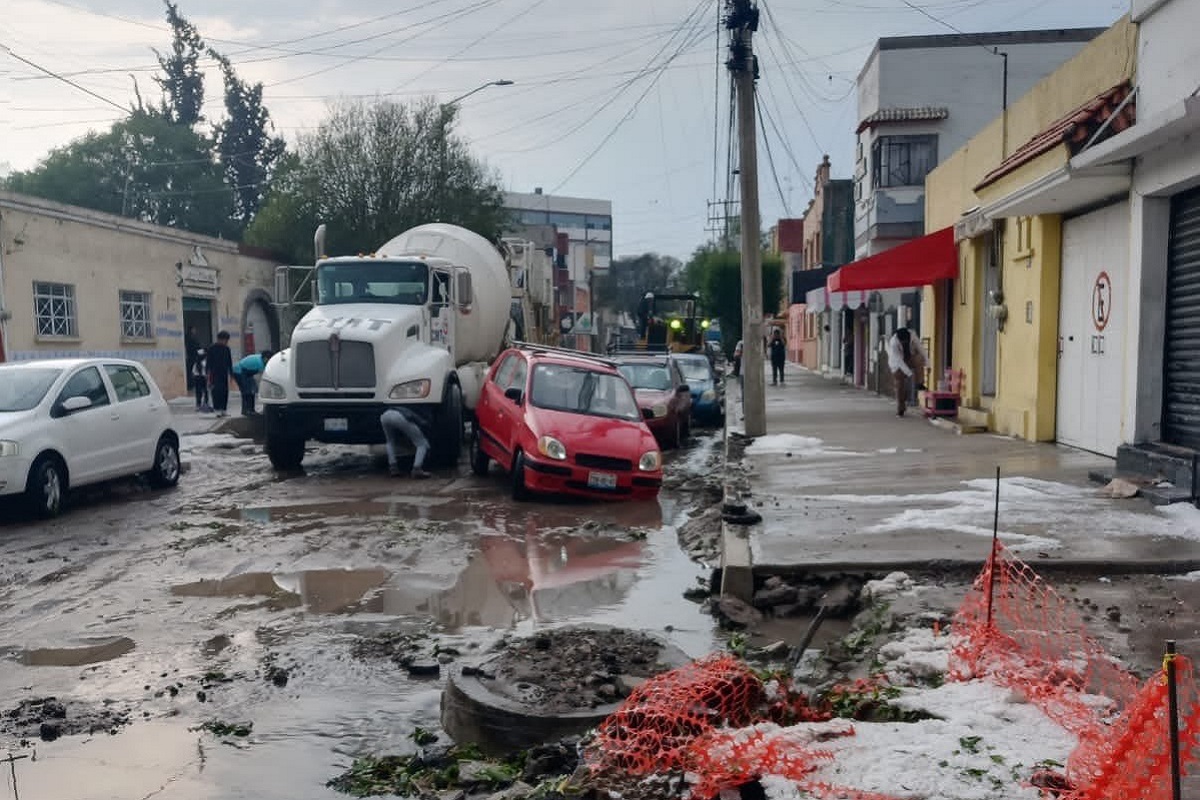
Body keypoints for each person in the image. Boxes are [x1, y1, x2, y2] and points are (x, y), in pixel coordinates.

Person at [380, 407, 432, 479]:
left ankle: (393, 467)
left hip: (385, 416)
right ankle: (417, 469)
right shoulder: (417, 416)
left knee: (390, 441)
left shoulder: (405, 409)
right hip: (399, 417)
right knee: (422, 443)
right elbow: (422, 423)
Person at [887, 326, 928, 417]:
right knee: (900, 385)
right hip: (897, 365)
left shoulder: (912, 335)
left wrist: (928, 364)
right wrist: (909, 374)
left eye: (906, 341)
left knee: (919, 358)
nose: (904, 343)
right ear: (899, 339)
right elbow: (899, 362)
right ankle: (900, 408)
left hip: (909, 358)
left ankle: (920, 384)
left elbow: (921, 349)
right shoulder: (893, 343)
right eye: (902, 342)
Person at [233, 350, 274, 416]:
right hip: (239, 372)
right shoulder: (260, 363)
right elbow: (264, 376)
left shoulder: (261, 360)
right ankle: (246, 410)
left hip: (247, 373)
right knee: (247, 391)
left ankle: (251, 410)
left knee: (252, 390)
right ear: (265, 358)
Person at [206, 331, 234, 417]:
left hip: (224, 373)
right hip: (214, 374)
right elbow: (208, 362)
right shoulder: (212, 348)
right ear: (220, 339)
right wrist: (207, 375)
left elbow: (229, 362)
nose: (226, 342)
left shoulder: (227, 349)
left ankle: (223, 410)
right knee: (216, 391)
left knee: (225, 391)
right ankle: (217, 410)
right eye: (225, 340)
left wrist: (231, 374)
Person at [192, 348, 212, 412]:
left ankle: (198, 405)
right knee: (205, 391)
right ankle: (205, 404)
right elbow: (208, 371)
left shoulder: (196, 363)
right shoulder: (205, 362)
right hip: (203, 378)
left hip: (197, 378)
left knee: (198, 392)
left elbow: (193, 372)